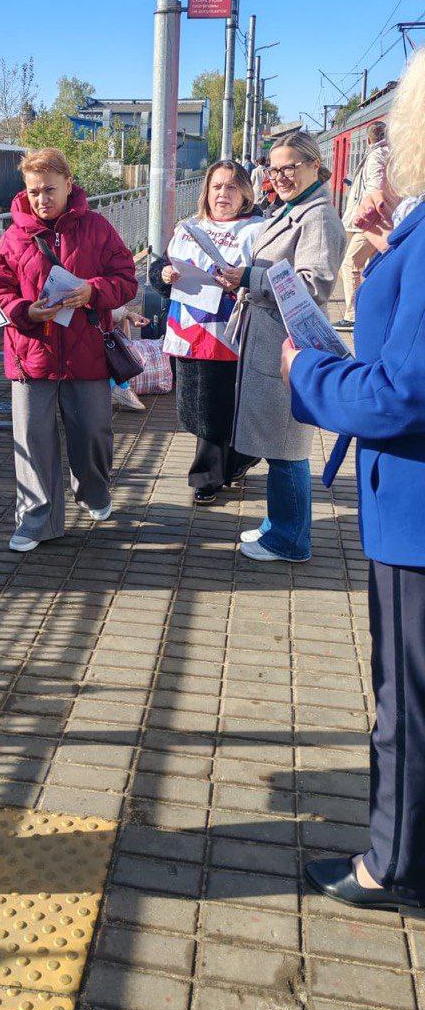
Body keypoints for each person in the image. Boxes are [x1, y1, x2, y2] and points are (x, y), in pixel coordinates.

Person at [281, 50, 425, 910]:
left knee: (405, 705)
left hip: (414, 509)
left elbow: (401, 393)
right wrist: (384, 241)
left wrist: (307, 370)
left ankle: (393, 863)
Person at [0, 148, 137, 552]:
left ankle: (93, 491)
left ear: (70, 185)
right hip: (31, 351)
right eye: (34, 191)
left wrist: (93, 291)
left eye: (49, 190)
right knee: (32, 439)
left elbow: (125, 278)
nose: (41, 199)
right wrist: (24, 310)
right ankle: (37, 520)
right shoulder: (15, 235)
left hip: (85, 351)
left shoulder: (98, 228)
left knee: (92, 433)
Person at [218, 132, 346, 562]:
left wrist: (250, 279)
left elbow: (314, 285)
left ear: (314, 165)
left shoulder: (319, 217)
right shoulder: (293, 209)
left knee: (288, 447)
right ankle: (278, 525)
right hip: (272, 340)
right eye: (275, 168)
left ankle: (291, 540)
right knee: (278, 444)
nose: (282, 176)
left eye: (291, 166)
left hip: (289, 347)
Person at [149, 161, 262, 504]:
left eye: (230, 187)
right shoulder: (189, 227)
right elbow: (160, 266)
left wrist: (242, 279)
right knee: (191, 409)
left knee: (216, 407)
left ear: (244, 192)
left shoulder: (258, 230)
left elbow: (264, 278)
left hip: (229, 332)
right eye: (216, 187)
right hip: (187, 330)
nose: (222, 194)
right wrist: (164, 274)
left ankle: (207, 476)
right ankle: (238, 459)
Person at [334, 121, 390, 332]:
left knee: (350, 264)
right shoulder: (386, 152)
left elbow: (375, 188)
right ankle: (370, 311)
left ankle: (354, 315)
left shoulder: (376, 155)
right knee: (367, 266)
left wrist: (365, 217)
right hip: (376, 220)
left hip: (370, 222)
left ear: (368, 139)